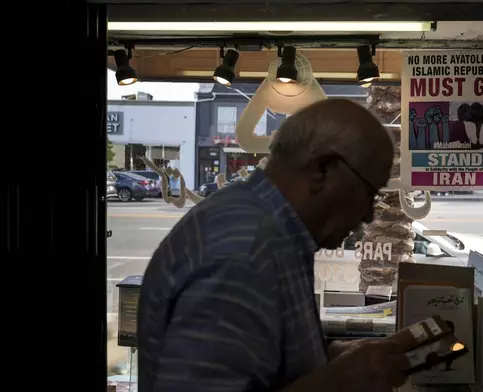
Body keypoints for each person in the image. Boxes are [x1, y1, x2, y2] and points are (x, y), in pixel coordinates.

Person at [138, 98, 410, 392]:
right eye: (369, 192)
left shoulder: (272, 233)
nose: (368, 214)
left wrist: (330, 359)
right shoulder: (244, 252)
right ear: (322, 168)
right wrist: (336, 383)